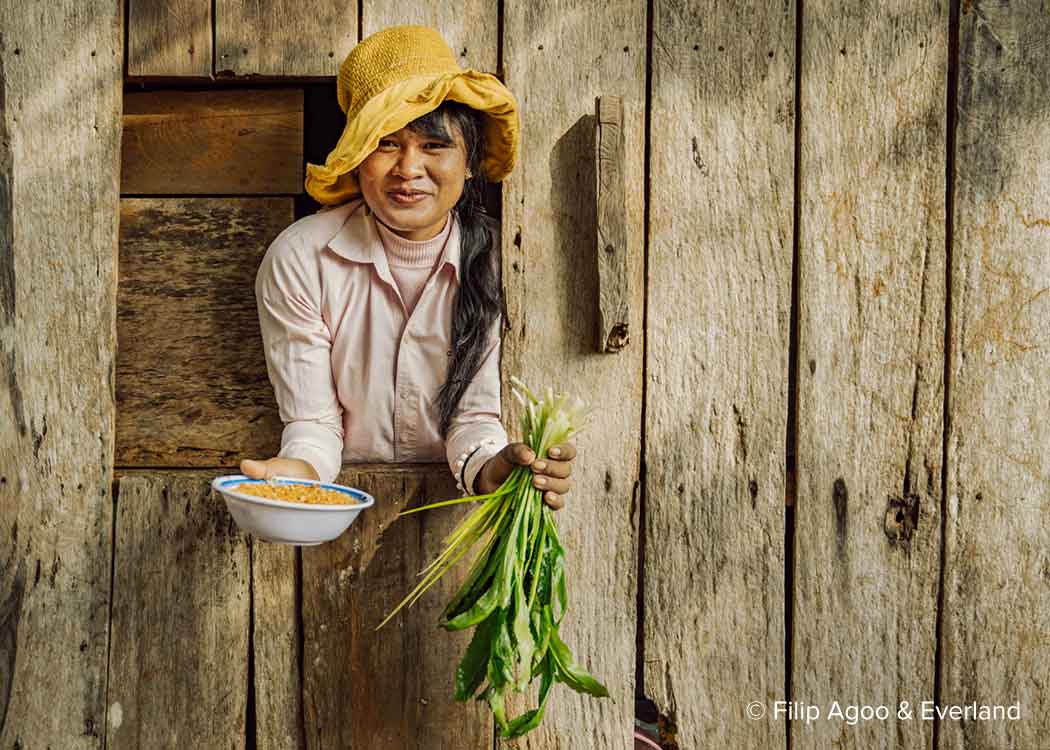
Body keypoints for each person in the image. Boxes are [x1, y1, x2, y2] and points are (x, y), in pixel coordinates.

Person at [239, 25, 575, 509]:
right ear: (356, 158)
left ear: (470, 160)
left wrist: (500, 468)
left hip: (454, 514)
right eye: (387, 144)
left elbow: (474, 418)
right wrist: (299, 472)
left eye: (434, 146)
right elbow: (313, 424)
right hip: (345, 517)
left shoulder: (507, 262)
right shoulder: (301, 258)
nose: (408, 169)